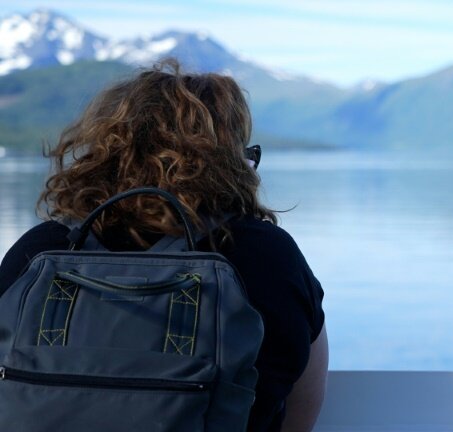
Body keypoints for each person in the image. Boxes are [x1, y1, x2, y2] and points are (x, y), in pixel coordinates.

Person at [0, 59, 328, 432]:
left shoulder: (41, 249)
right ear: (231, 162)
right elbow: (300, 409)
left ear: (103, 151)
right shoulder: (266, 254)